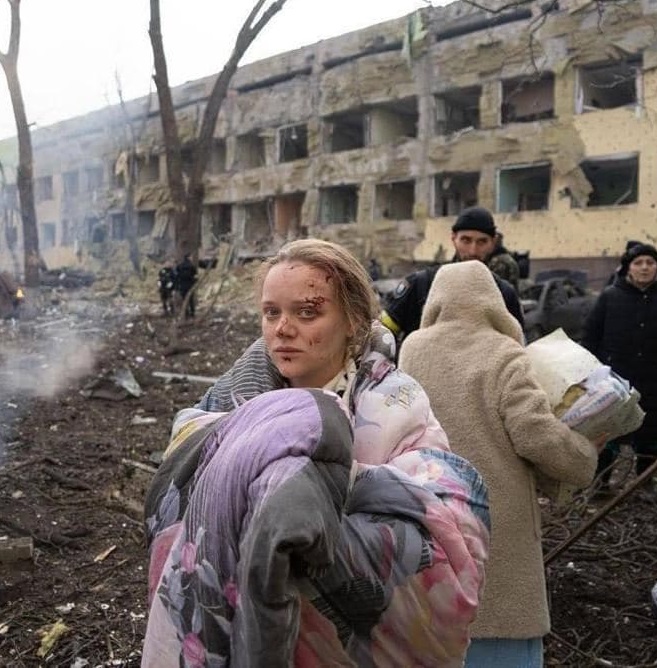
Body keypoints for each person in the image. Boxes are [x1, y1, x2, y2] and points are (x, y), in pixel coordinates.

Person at [142, 239, 490, 667]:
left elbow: (443, 535)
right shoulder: (229, 402)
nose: (283, 329)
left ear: (354, 320)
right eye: (272, 313)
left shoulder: (396, 408)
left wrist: (307, 497)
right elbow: (176, 496)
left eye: (307, 312)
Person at [399, 261, 602, 668]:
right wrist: (584, 452)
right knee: (500, 628)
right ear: (494, 303)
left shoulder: (412, 349)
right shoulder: (504, 354)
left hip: (426, 509)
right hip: (495, 522)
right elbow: (535, 434)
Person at [381, 206, 524, 341]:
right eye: (466, 240)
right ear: (454, 238)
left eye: (482, 242)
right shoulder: (421, 284)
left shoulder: (504, 294)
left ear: (492, 243)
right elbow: (381, 334)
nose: (473, 250)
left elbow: (516, 347)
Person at [582, 242, 657, 490]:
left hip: (652, 382)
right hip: (615, 381)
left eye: (650, 262)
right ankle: (600, 484)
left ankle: (643, 486)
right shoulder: (610, 297)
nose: (645, 268)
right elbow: (591, 336)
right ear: (628, 269)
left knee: (649, 438)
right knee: (609, 435)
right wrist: (593, 372)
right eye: (638, 263)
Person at [175, 253, 198, 318]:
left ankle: (186, 313)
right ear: (189, 257)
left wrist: (178, 285)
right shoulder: (191, 266)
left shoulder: (179, 266)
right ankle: (192, 313)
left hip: (182, 286)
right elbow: (195, 275)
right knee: (191, 300)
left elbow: (177, 276)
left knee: (184, 299)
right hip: (190, 285)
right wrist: (194, 282)